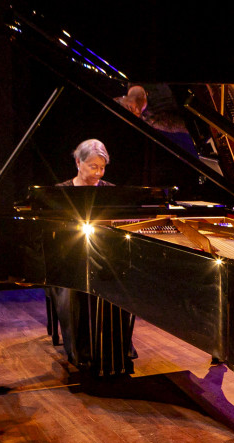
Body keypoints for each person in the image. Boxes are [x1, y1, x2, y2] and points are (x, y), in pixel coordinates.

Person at [47, 139, 136, 375]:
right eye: (93, 166)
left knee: (120, 282)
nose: (98, 173)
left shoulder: (111, 191)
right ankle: (81, 353)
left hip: (104, 258)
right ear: (78, 162)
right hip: (68, 260)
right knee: (73, 288)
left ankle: (120, 349)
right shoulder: (61, 192)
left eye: (102, 167)